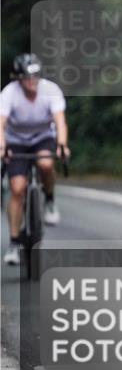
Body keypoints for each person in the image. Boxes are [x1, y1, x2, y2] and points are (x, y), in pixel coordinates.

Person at [1, 54, 69, 265]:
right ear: (19, 78)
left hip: (43, 137)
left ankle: (49, 200)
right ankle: (14, 242)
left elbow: (60, 122)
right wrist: (2, 148)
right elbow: (0, 125)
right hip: (16, 140)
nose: (33, 81)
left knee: (46, 163)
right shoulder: (9, 93)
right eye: (28, 77)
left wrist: (62, 145)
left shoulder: (50, 90)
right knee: (17, 187)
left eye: (36, 76)